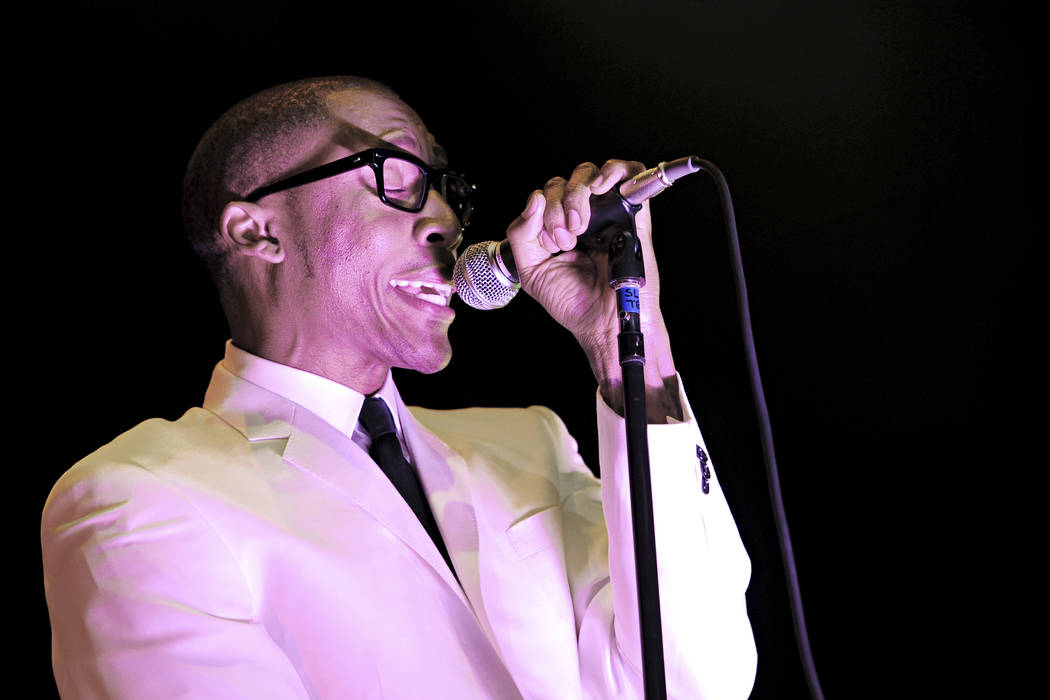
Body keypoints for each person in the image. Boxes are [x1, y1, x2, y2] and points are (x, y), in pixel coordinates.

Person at [41, 76, 757, 698]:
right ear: (257, 230)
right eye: (394, 173)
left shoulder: (528, 441)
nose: (445, 218)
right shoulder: (138, 496)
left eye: (445, 189)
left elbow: (704, 679)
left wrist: (629, 347)